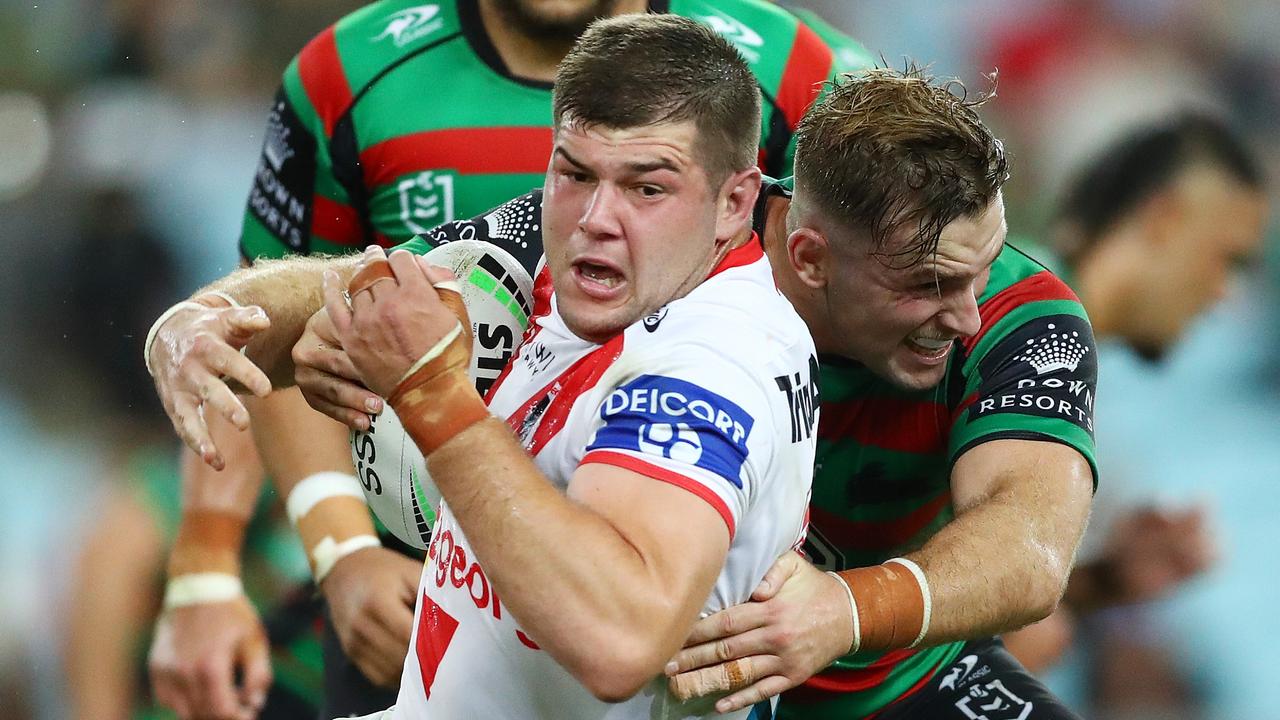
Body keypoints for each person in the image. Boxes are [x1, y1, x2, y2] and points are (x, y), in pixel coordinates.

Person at [152, 1, 873, 717]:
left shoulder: (714, 360)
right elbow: (359, 279)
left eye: (649, 187)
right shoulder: (551, 241)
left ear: (736, 201)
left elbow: (618, 645)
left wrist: (865, 601)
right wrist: (204, 320)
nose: (597, 217)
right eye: (574, 174)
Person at [1003, 111, 1267, 703]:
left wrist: (1104, 581)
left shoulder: (1063, 346)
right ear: (1165, 218)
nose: (1225, 293)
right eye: (1226, 259)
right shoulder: (1008, 315)